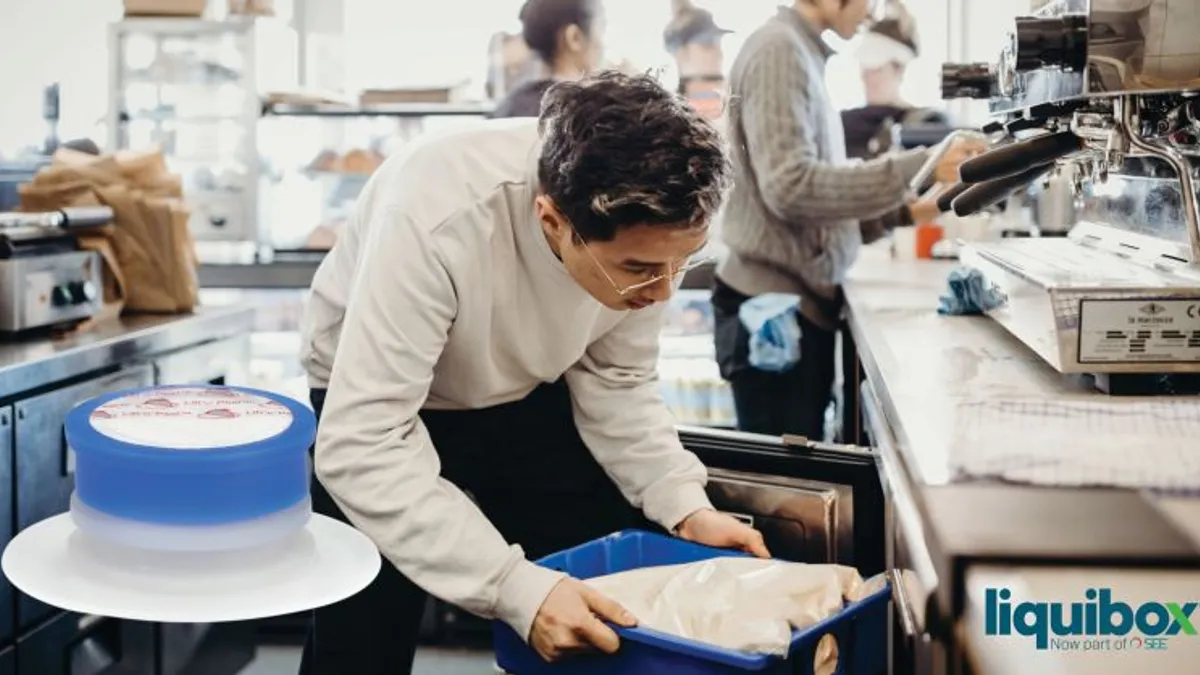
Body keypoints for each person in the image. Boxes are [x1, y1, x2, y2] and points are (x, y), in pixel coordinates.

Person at [298, 71, 768, 675]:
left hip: (525, 389)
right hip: (377, 405)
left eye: (682, 264)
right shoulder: (438, 212)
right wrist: (515, 589)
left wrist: (684, 503)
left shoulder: (645, 244)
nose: (664, 292)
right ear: (552, 222)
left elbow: (618, 382)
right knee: (362, 636)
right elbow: (362, 443)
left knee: (598, 605)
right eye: (641, 268)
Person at [712, 0, 981, 439]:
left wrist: (909, 211)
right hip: (773, 313)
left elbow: (811, 210)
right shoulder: (780, 51)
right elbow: (791, 188)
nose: (872, 12)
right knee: (787, 491)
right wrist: (921, 165)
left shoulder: (798, 51)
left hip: (793, 306)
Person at [840, 1, 949, 162]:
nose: (867, 77)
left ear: (899, 69)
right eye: (864, 69)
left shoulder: (929, 124)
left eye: (876, 69)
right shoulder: (843, 124)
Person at [489, 0, 605, 118]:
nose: (601, 44)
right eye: (600, 31)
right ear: (574, 38)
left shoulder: (507, 106)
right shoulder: (590, 113)